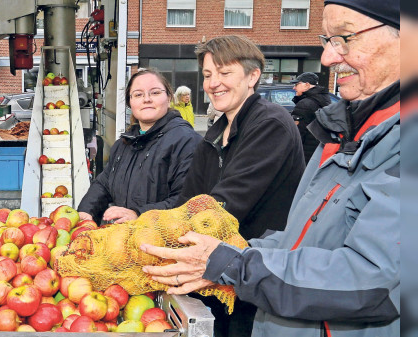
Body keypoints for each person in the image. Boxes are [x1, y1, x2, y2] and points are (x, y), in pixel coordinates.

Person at [141, 1, 400, 336]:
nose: (327, 58)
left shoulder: (273, 125)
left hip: (253, 296)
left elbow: (372, 279)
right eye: (328, 40)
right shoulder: (338, 135)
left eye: (345, 37)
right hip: (261, 297)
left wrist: (231, 262)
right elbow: (298, 241)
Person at [174, 35, 304, 337]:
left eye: (224, 72)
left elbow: (225, 205)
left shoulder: (271, 124)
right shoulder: (215, 133)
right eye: (207, 75)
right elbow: (187, 201)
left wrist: (167, 235)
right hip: (217, 275)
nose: (213, 83)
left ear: (252, 76)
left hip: (255, 282)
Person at [77, 69, 202, 224]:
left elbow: (189, 202)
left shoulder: (186, 141)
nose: (146, 99)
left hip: (164, 242)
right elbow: (104, 184)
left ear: (169, 97)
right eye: (138, 94)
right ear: (130, 103)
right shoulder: (125, 144)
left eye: (155, 93)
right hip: (125, 239)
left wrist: (139, 214)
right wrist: (86, 212)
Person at [290, 72, 332, 163]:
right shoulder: (324, 99)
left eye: (297, 84)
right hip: (318, 151)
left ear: (307, 85)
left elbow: (297, 134)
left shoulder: (305, 104)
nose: (294, 88)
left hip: (304, 154)